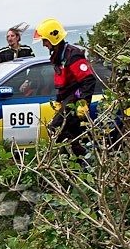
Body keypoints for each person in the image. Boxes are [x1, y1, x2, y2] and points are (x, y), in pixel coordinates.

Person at [33, 18, 96, 160]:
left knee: (55, 128)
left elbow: (88, 80)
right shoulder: (59, 55)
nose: (44, 44)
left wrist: (83, 102)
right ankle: (78, 162)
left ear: (53, 38)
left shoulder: (72, 55)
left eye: (45, 41)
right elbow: (63, 83)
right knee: (73, 133)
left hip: (75, 99)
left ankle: (82, 157)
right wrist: (59, 100)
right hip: (67, 98)